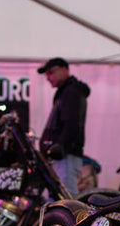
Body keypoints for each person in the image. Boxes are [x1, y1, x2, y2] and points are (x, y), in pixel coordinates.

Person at [37, 57, 90, 197]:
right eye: (46, 74)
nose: (48, 78)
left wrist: (60, 146)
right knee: (58, 199)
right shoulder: (66, 92)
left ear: (64, 70)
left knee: (65, 200)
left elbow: (72, 123)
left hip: (65, 157)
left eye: (51, 72)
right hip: (62, 157)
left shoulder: (71, 92)